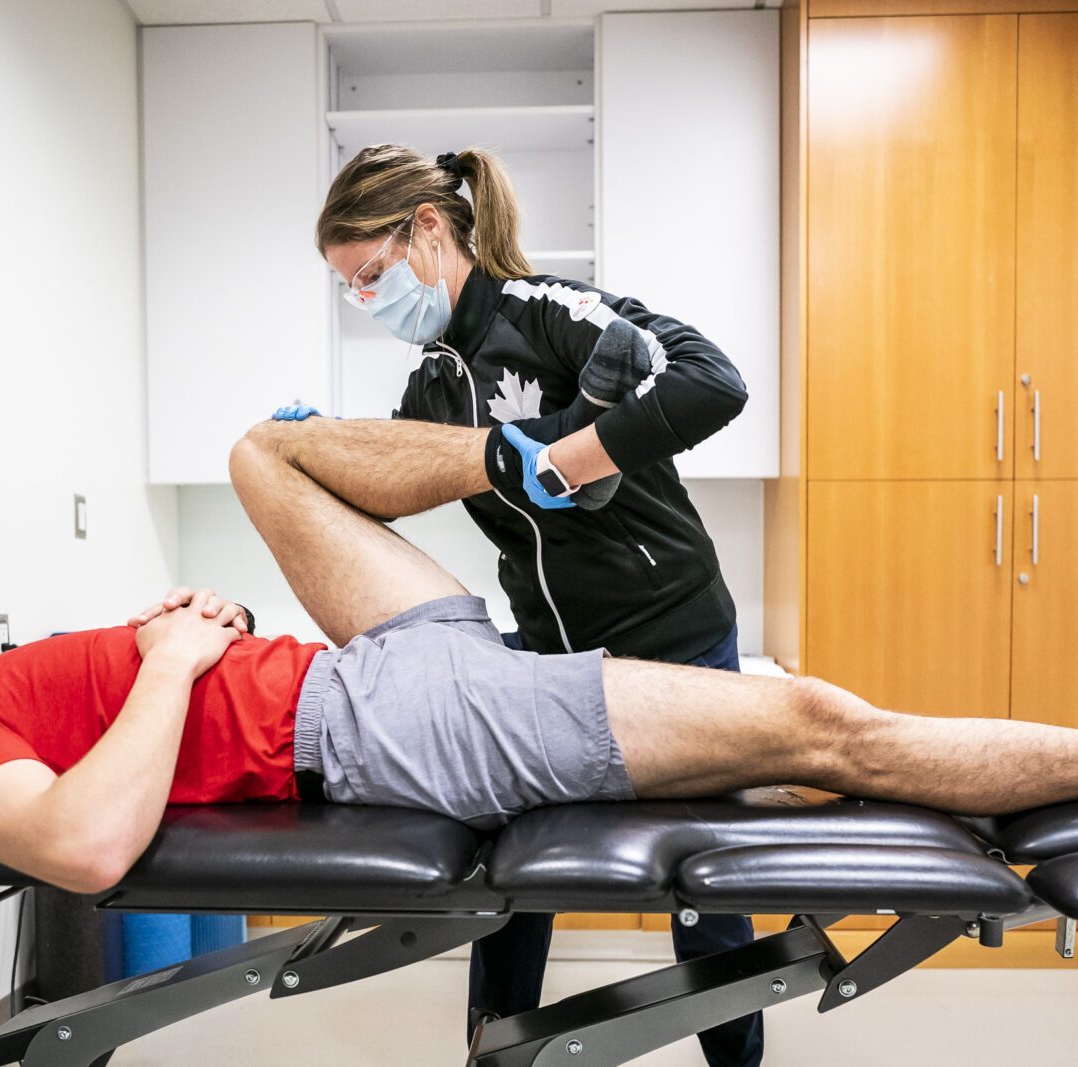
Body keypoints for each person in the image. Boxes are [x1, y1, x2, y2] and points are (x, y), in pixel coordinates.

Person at [0, 416, 1078, 943]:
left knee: (268, 460)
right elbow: (75, 846)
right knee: (820, 721)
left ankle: (547, 434)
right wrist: (165, 662)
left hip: (368, 664)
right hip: (382, 723)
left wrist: (178, 646)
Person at [307, 142, 764, 1062]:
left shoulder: (546, 310)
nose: (365, 301)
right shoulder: (432, 381)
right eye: (348, 289)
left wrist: (572, 457)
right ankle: (493, 1049)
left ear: (427, 229)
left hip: (675, 633)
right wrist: (314, 448)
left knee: (702, 886)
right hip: (553, 655)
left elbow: (714, 381)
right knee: (507, 877)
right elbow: (390, 480)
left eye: (368, 275)